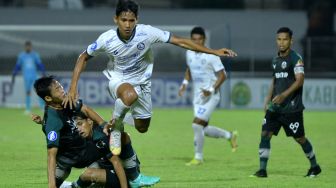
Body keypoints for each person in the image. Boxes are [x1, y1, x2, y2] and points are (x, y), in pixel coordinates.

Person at [62, 0, 237, 156]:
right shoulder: (106, 39)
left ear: (137, 19)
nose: (128, 24)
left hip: (143, 84)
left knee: (142, 128)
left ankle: (119, 117)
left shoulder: (147, 33)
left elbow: (180, 41)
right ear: (116, 19)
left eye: (131, 20)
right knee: (130, 95)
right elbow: (83, 57)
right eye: (124, 20)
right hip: (118, 79)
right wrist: (72, 87)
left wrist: (213, 51)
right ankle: (116, 127)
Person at [251, 27, 321, 178]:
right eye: (279, 39)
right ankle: (262, 170)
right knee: (265, 133)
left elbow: (300, 80)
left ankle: (315, 166)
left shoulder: (296, 58)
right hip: (275, 108)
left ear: (291, 41)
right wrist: (267, 100)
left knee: (300, 138)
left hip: (291, 109)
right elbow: (274, 80)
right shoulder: (276, 60)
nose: (281, 43)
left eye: (285, 39)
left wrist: (284, 95)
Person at [33, 76, 128, 188]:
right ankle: (129, 178)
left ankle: (79, 182)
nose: (62, 91)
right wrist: (51, 185)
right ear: (48, 98)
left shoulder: (62, 102)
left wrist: (103, 124)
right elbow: (51, 154)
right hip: (77, 156)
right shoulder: (53, 121)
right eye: (57, 89)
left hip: (69, 156)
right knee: (110, 141)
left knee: (108, 140)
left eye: (61, 86)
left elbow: (85, 109)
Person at [178, 27, 238, 166]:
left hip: (212, 96)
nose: (197, 42)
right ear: (191, 40)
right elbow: (189, 68)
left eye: (199, 39)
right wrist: (185, 83)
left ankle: (198, 158)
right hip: (197, 97)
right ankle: (230, 135)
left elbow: (223, 75)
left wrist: (211, 89)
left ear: (204, 39)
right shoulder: (189, 53)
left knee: (196, 124)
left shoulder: (211, 55)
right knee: (202, 128)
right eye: (194, 40)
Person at [12, 40, 46, 114]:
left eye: (29, 46)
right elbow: (18, 66)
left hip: (34, 76)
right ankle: (28, 109)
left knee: (38, 91)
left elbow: (39, 64)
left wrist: (43, 72)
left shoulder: (35, 55)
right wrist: (14, 73)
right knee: (27, 92)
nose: (28, 48)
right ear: (25, 47)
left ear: (31, 47)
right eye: (27, 46)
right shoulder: (21, 56)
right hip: (26, 77)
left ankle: (42, 107)